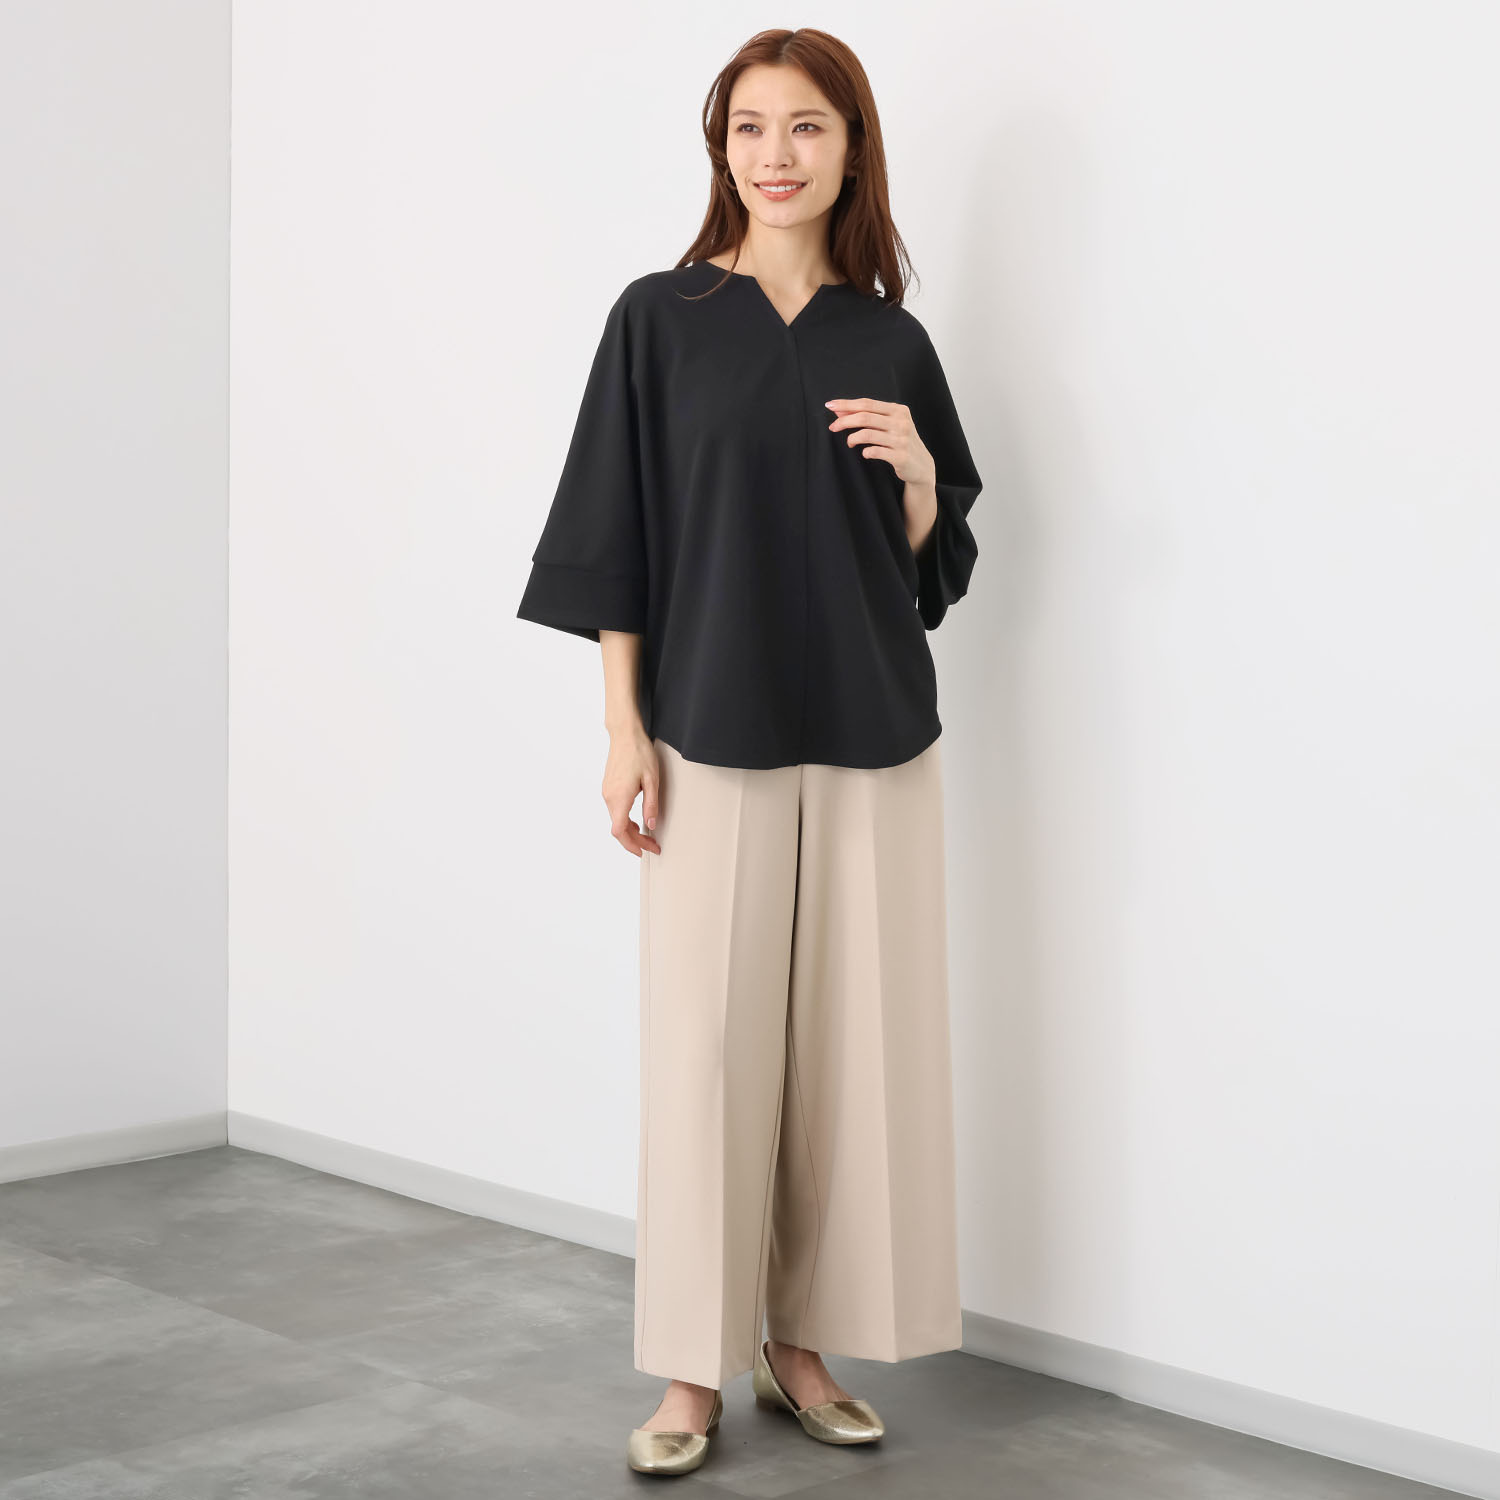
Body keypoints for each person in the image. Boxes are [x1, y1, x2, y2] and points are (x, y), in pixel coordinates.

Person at [517, 26, 982, 1477]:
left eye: (807, 127)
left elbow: (930, 574)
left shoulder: (890, 340)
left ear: (853, 148)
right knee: (709, 1055)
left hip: (872, 736)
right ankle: (688, 1373)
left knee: (852, 1058)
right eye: (750, 129)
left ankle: (803, 1348)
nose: (777, 156)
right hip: (707, 733)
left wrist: (919, 479)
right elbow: (613, 534)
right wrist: (624, 731)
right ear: (721, 151)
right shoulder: (660, 320)